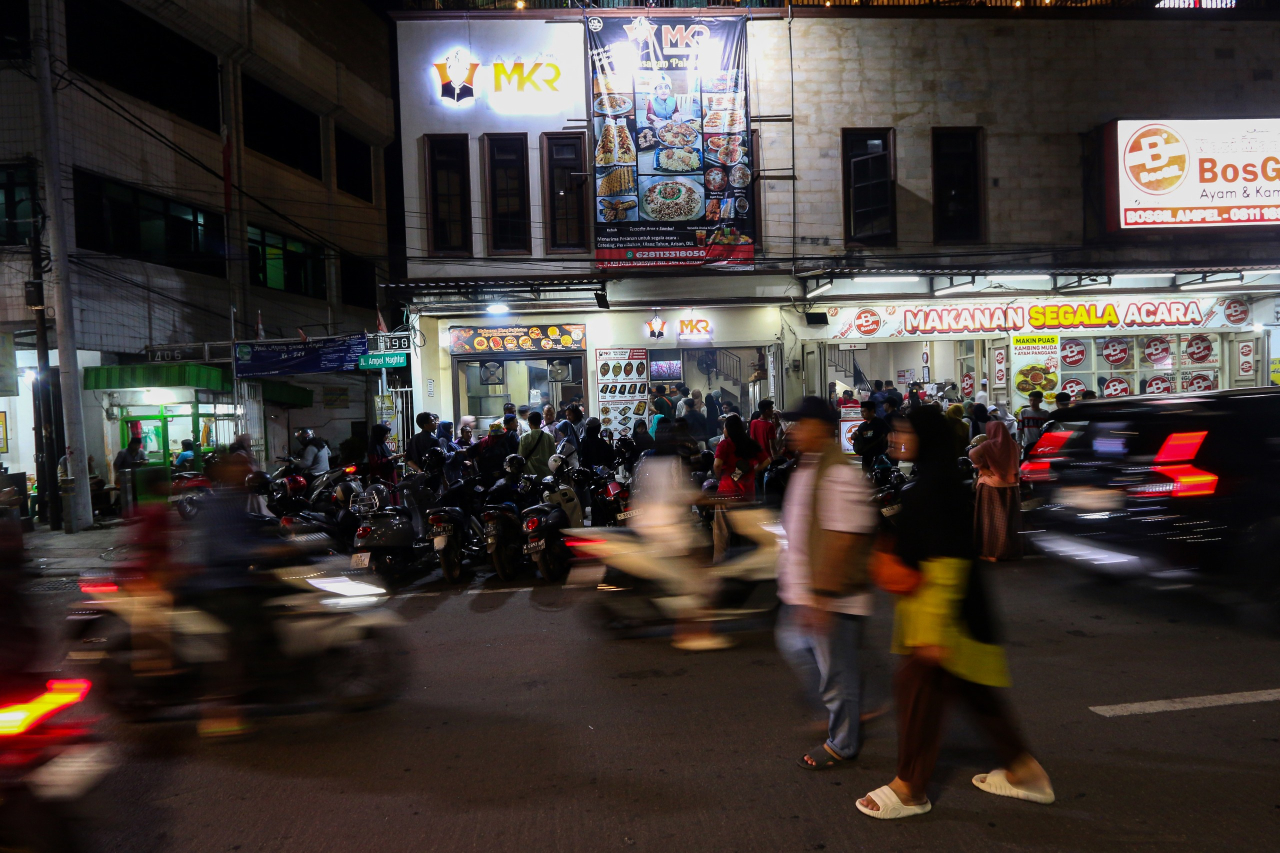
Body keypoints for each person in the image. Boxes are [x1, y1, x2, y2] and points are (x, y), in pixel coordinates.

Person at [857, 406, 1052, 820]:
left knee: (918, 698)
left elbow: (945, 565)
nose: (893, 439)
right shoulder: (932, 481)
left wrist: (930, 634)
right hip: (956, 617)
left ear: (925, 437)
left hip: (945, 622)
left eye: (901, 432)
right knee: (975, 695)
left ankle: (910, 788)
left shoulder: (934, 488)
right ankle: (1024, 771)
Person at [774, 397, 877, 771]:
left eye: (800, 424)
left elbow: (842, 539)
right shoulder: (812, 466)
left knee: (837, 675)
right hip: (808, 592)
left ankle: (843, 743)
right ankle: (869, 700)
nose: (793, 431)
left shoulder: (838, 474)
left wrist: (821, 596)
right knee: (800, 647)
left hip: (832, 596)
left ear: (821, 426)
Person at [970, 421, 1023, 562]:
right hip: (1012, 486)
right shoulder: (1013, 445)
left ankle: (993, 553)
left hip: (991, 485)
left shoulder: (989, 444)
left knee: (991, 521)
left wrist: (983, 468)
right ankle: (1009, 551)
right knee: (1008, 520)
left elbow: (972, 453)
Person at [713, 413, 766, 499]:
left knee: (723, 511)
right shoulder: (750, 443)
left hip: (728, 487)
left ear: (729, 429)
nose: (723, 430)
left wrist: (719, 477)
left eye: (724, 428)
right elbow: (766, 461)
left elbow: (717, 465)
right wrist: (753, 470)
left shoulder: (724, 444)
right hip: (748, 489)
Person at [517, 411, 557, 478]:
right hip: (546, 474)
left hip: (530, 475)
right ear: (540, 422)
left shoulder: (524, 437)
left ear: (529, 423)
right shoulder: (549, 437)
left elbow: (521, 456)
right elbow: (553, 455)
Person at [853, 400, 889, 471]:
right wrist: (854, 435)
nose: (862, 414)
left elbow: (890, 433)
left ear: (872, 411)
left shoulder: (880, 422)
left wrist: (890, 447)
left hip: (879, 457)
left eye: (864, 411)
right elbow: (854, 436)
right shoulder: (862, 426)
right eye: (861, 412)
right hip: (866, 457)